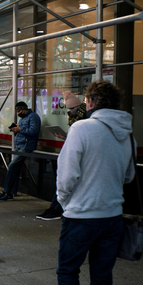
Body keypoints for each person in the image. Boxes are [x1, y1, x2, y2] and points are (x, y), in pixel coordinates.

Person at [56, 81, 135, 285]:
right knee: (102, 278)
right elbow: (129, 176)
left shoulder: (81, 128)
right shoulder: (128, 135)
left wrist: (64, 201)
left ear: (90, 102)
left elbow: (66, 175)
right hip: (112, 217)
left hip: (80, 215)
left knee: (68, 271)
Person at [36, 92, 87, 221]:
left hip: (78, 158)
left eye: (71, 109)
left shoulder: (81, 120)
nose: (70, 111)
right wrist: (65, 137)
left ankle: (56, 209)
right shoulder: (77, 118)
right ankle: (55, 208)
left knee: (64, 182)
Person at [0, 101, 41, 201]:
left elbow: (34, 131)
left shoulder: (33, 117)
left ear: (24, 109)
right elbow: (22, 131)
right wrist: (16, 130)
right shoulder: (22, 119)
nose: (18, 113)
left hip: (27, 145)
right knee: (15, 169)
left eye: (19, 111)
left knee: (12, 167)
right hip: (19, 145)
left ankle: (6, 191)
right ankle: (9, 193)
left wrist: (20, 130)